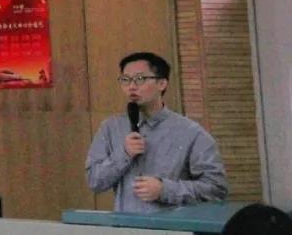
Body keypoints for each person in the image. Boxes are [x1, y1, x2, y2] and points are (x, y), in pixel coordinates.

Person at [85, 52, 228, 212]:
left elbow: (216, 189)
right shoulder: (111, 128)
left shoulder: (191, 132)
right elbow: (94, 181)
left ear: (162, 84)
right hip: (125, 224)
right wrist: (124, 154)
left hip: (172, 224)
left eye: (140, 79)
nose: (131, 86)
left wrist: (165, 190)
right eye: (125, 80)